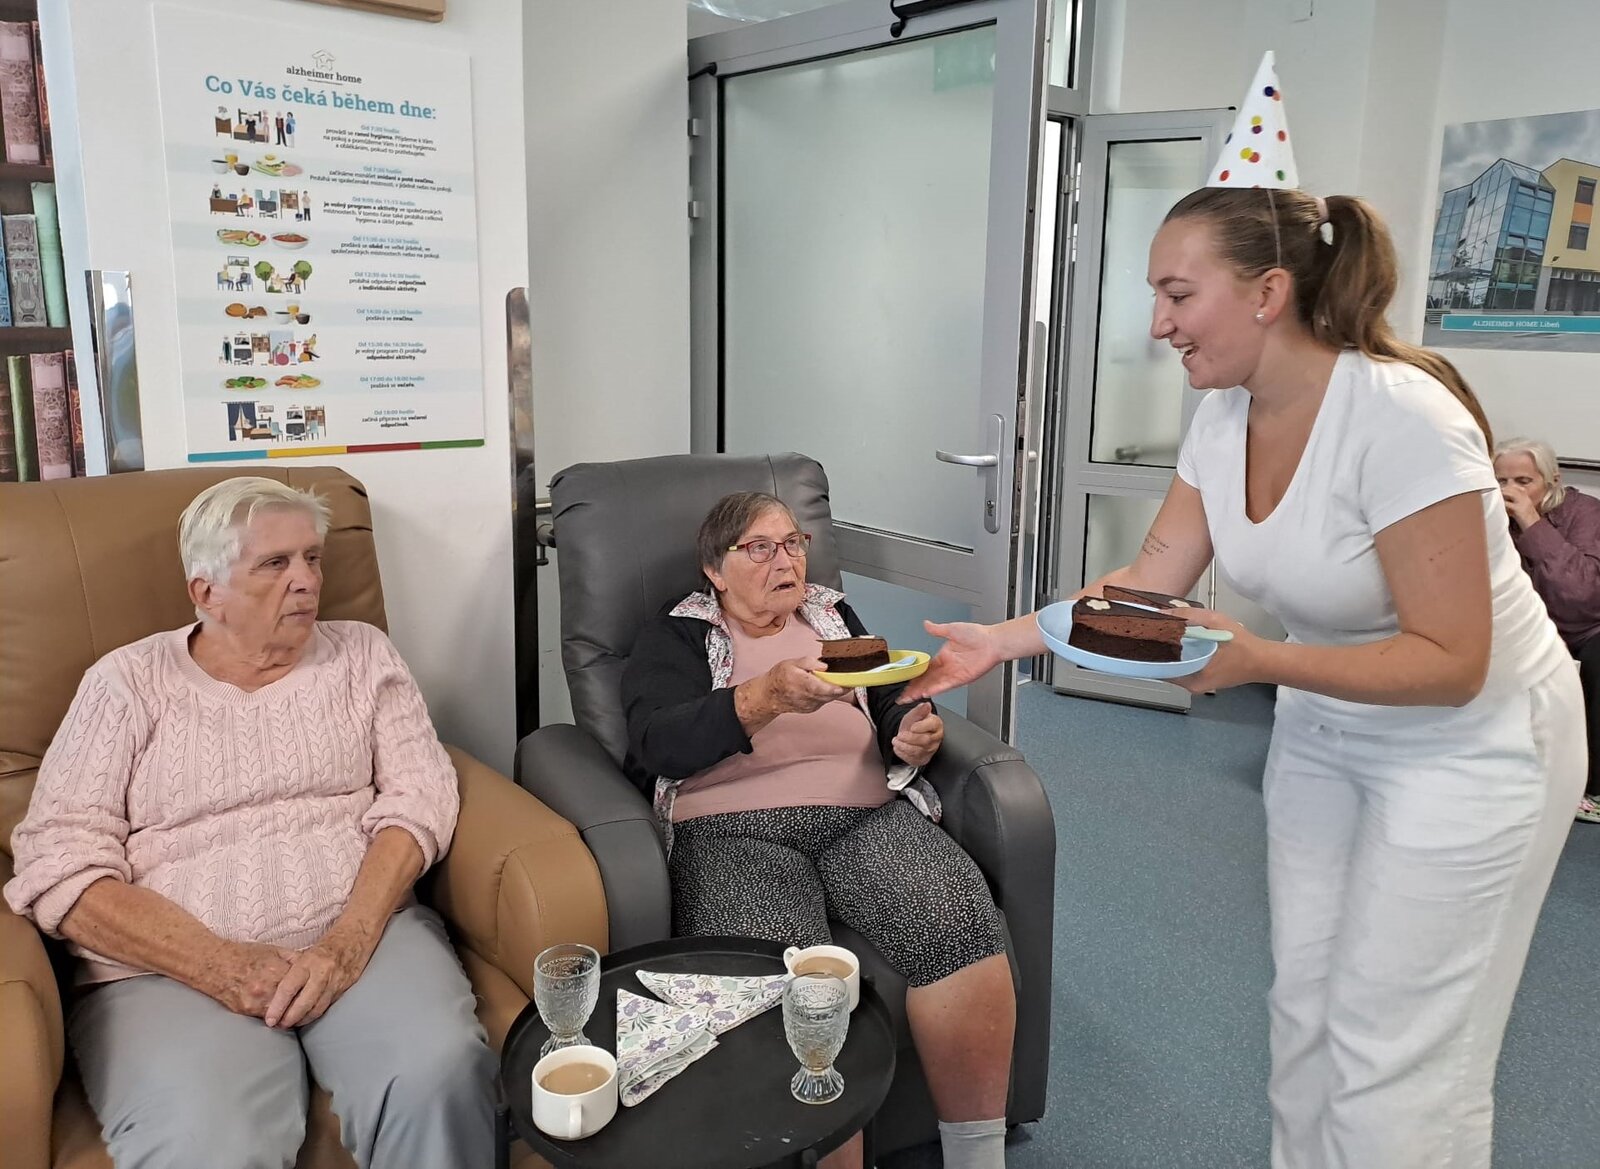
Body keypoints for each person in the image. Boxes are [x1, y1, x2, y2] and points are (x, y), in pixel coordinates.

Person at [905, 180, 1584, 1168]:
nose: (1158, 324)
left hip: (1472, 740)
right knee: (1303, 1010)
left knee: (1397, 1056)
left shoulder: (1403, 418)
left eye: (1178, 294)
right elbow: (1148, 581)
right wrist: (1002, 640)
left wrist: (1258, 659)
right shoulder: (1224, 418)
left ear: (1268, 293)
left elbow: (1451, 662)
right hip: (1329, 718)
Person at [4, 477, 494, 1169]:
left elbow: (421, 796)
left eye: (313, 558)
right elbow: (57, 859)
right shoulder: (125, 683)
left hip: (365, 937)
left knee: (437, 1071)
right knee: (208, 1138)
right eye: (275, 563)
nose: (307, 580)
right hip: (168, 971)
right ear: (206, 591)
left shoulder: (364, 655)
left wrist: (347, 942)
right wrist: (218, 964)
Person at [623, 492, 1015, 1169]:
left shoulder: (832, 616)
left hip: (865, 810)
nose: (786, 561)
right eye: (760, 547)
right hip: (733, 831)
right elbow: (657, 742)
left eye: (794, 543)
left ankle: (979, 1158)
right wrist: (766, 696)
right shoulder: (678, 632)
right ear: (715, 569)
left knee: (959, 925)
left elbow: (889, 695)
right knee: (792, 986)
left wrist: (909, 731)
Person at [1494, 436, 1600, 822]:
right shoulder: (1487, 517)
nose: (1510, 491)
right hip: (1524, 627)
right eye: (1501, 481)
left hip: (1585, 627)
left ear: (1552, 480)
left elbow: (1581, 596)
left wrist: (1532, 523)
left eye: (1524, 481)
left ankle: (1594, 787)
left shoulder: (1584, 512)